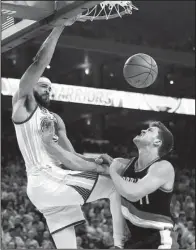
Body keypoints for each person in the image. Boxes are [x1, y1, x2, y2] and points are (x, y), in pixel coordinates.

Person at [11, 22, 125, 248]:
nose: (48, 90)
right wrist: (60, 26)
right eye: (43, 86)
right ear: (32, 87)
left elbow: (71, 158)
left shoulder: (56, 120)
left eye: (50, 88)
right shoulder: (22, 105)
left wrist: (93, 160)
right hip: (46, 180)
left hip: (51, 186)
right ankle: (119, 244)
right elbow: (39, 61)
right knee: (114, 186)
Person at [96, 122, 179, 249]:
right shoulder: (125, 165)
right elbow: (84, 165)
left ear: (157, 142)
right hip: (135, 240)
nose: (143, 130)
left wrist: (112, 169)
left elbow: (133, 193)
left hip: (160, 240)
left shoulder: (164, 167)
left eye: (150, 130)